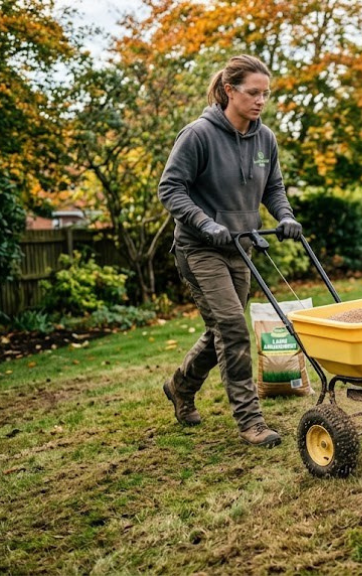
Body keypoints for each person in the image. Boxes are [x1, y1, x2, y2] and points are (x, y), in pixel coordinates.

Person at [158, 55, 302, 448]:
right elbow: (170, 189)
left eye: (265, 94)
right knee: (233, 329)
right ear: (228, 91)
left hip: (241, 247)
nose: (260, 101)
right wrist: (205, 222)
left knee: (222, 328)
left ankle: (180, 386)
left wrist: (285, 216)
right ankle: (251, 421)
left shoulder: (265, 138)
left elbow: (273, 188)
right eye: (252, 93)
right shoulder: (198, 135)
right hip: (200, 248)